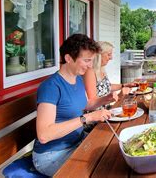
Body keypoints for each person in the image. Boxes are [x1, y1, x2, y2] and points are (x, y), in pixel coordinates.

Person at [33, 34, 113, 176]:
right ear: (68, 58)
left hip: (78, 142)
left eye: (92, 61)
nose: (90, 65)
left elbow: (85, 104)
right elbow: (44, 134)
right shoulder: (51, 87)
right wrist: (87, 118)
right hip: (51, 155)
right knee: (102, 170)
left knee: (112, 155)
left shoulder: (77, 80)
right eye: (87, 60)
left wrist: (106, 98)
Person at [83, 41, 135, 131]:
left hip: (107, 112)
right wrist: (114, 97)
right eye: (109, 54)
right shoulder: (90, 71)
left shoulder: (101, 69)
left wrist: (123, 85)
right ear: (99, 55)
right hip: (96, 119)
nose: (111, 58)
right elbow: (92, 101)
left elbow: (107, 86)